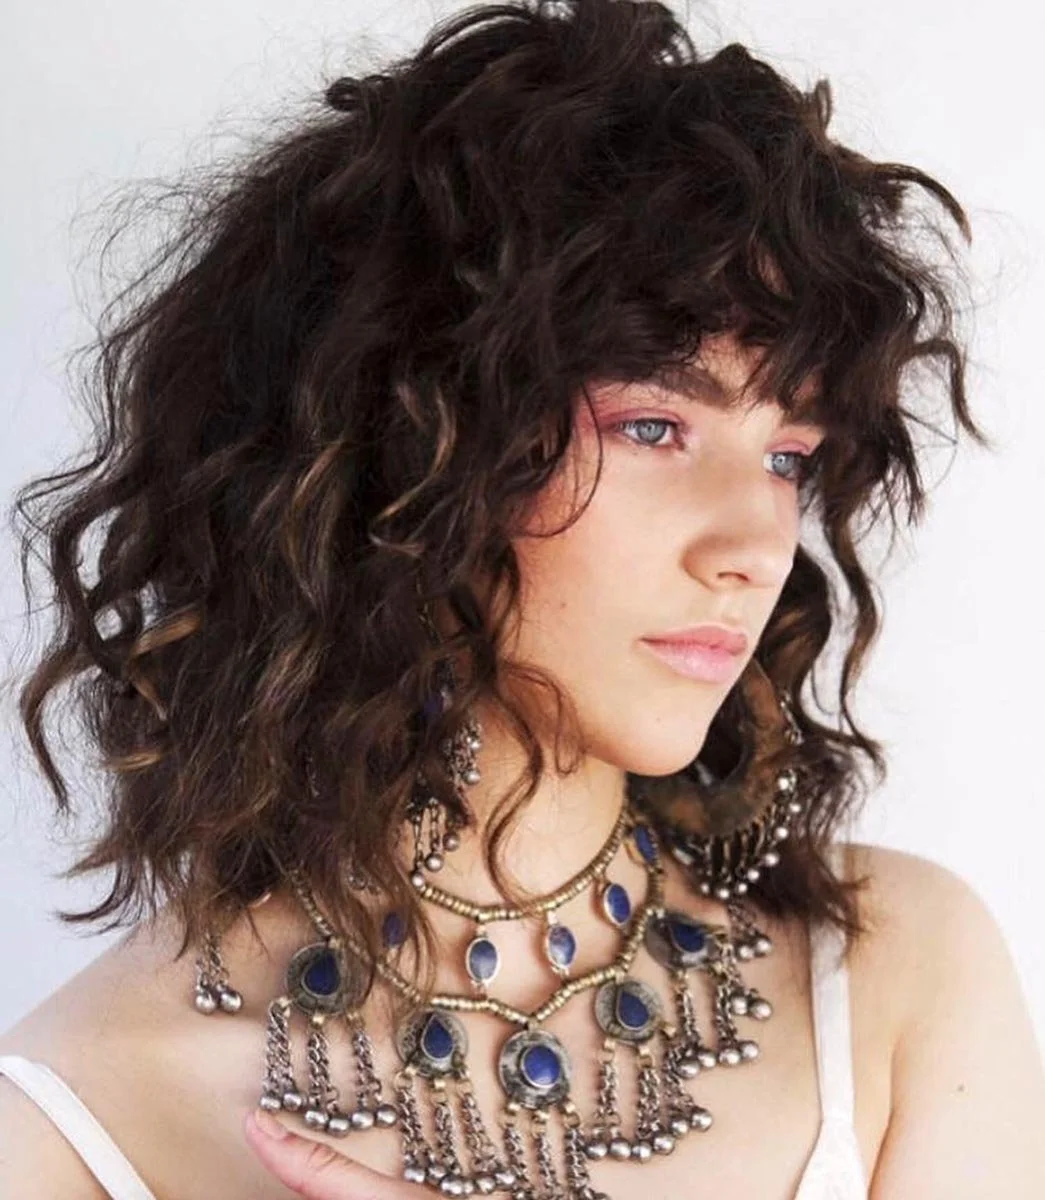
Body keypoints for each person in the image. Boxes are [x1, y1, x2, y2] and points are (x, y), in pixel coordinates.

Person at [1, 0, 1043, 1196]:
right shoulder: (79, 1119)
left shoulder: (898, 976)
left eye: (788, 456)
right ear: (407, 449)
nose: (757, 543)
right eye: (655, 426)